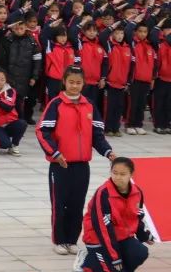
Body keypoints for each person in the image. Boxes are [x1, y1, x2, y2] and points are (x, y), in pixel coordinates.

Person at [37, 65, 116, 255]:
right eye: (71, 82)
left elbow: (97, 135)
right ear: (64, 82)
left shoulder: (89, 105)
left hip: (82, 165)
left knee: (77, 204)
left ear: (83, 84)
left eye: (78, 82)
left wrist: (108, 152)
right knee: (59, 204)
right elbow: (42, 131)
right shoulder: (56, 104)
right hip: (60, 165)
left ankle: (72, 240)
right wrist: (55, 154)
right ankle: (59, 240)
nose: (74, 86)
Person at [74, 157, 153, 272]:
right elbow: (103, 229)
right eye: (115, 173)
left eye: (123, 174)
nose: (118, 177)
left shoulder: (137, 192)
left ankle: (126, 271)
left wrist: (145, 236)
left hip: (121, 237)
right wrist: (115, 258)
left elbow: (137, 217)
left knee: (141, 252)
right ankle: (87, 261)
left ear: (131, 174)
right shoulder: (103, 193)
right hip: (98, 239)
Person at [126, 24, 156, 135]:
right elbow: (127, 31)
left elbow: (154, 64)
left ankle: (138, 124)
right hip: (135, 79)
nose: (143, 34)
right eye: (140, 31)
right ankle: (130, 125)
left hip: (146, 79)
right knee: (133, 103)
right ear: (135, 32)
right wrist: (135, 21)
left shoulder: (150, 46)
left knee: (142, 104)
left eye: (145, 32)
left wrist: (152, 78)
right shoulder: (132, 43)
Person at [103, 24, 131, 137]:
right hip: (111, 83)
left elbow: (130, 67)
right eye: (117, 33)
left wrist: (128, 82)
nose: (119, 36)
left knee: (119, 107)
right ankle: (108, 128)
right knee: (110, 107)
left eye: (121, 33)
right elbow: (102, 36)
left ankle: (116, 128)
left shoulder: (128, 48)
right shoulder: (110, 46)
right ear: (112, 34)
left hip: (122, 83)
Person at [0, 68, 24, 155]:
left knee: (22, 124)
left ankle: (14, 145)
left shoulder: (11, 91)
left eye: (2, 79)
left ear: (6, 80)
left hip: (10, 123)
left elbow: (8, 107)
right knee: (5, 144)